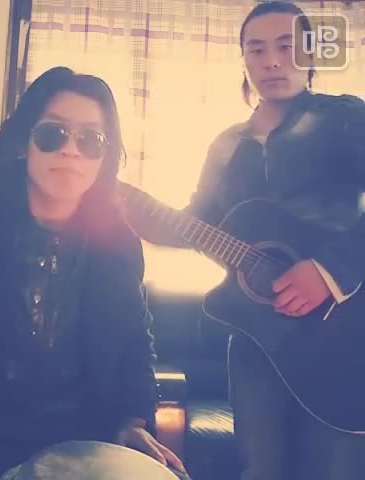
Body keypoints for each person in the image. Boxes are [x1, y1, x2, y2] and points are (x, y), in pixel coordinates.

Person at [0, 66, 187, 480]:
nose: (71, 151)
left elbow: (134, 341)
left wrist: (132, 421)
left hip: (82, 446)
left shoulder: (118, 243)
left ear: (105, 157)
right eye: (53, 134)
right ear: (25, 141)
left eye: (90, 140)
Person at [119, 2, 365, 479]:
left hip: (344, 333)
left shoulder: (346, 118)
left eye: (286, 46)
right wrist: (132, 209)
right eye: (257, 49)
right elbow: (196, 225)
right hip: (257, 342)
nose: (272, 61)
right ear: (244, 61)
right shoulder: (226, 146)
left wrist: (330, 271)